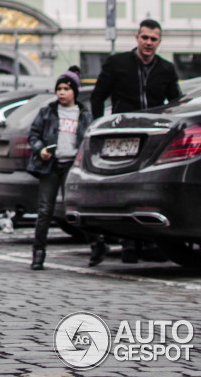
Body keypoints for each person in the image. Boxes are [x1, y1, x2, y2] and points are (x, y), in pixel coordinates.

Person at [86, 18, 182, 265]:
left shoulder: (166, 69)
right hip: (122, 133)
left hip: (153, 134)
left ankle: (149, 242)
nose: (149, 43)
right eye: (145, 38)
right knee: (124, 184)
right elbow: (98, 97)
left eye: (154, 39)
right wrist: (101, 126)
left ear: (159, 41)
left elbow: (175, 102)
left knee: (147, 186)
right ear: (137, 38)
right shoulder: (117, 63)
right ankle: (128, 243)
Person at [27, 70, 91, 270]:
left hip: (73, 166)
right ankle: (38, 252)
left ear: (75, 91)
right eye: (59, 89)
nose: (62, 93)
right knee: (45, 210)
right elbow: (34, 134)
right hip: (51, 166)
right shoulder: (47, 112)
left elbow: (89, 138)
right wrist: (41, 149)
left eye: (66, 89)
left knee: (76, 210)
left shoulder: (84, 114)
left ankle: (97, 244)